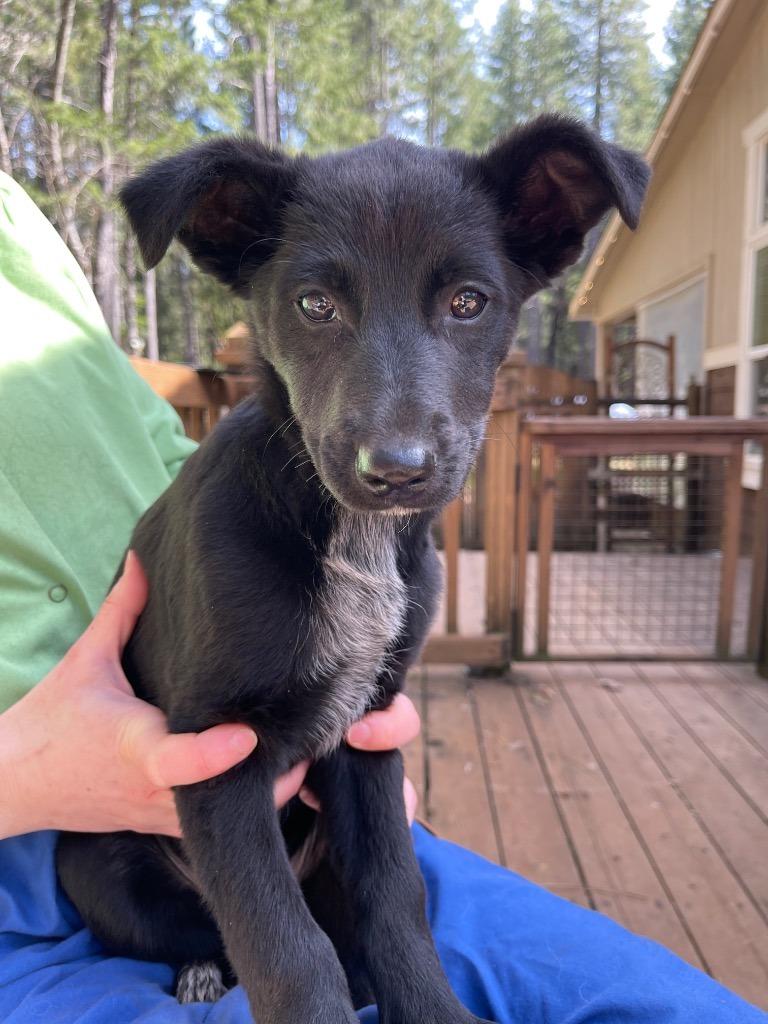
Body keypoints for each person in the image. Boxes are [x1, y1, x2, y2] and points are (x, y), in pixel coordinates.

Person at [0, 169, 763, 1024]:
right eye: (317, 305)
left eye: (466, 303)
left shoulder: (25, 233)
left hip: (308, 846)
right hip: (108, 876)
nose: (398, 447)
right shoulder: (237, 536)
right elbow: (216, 759)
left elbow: (362, 742)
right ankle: (213, 960)